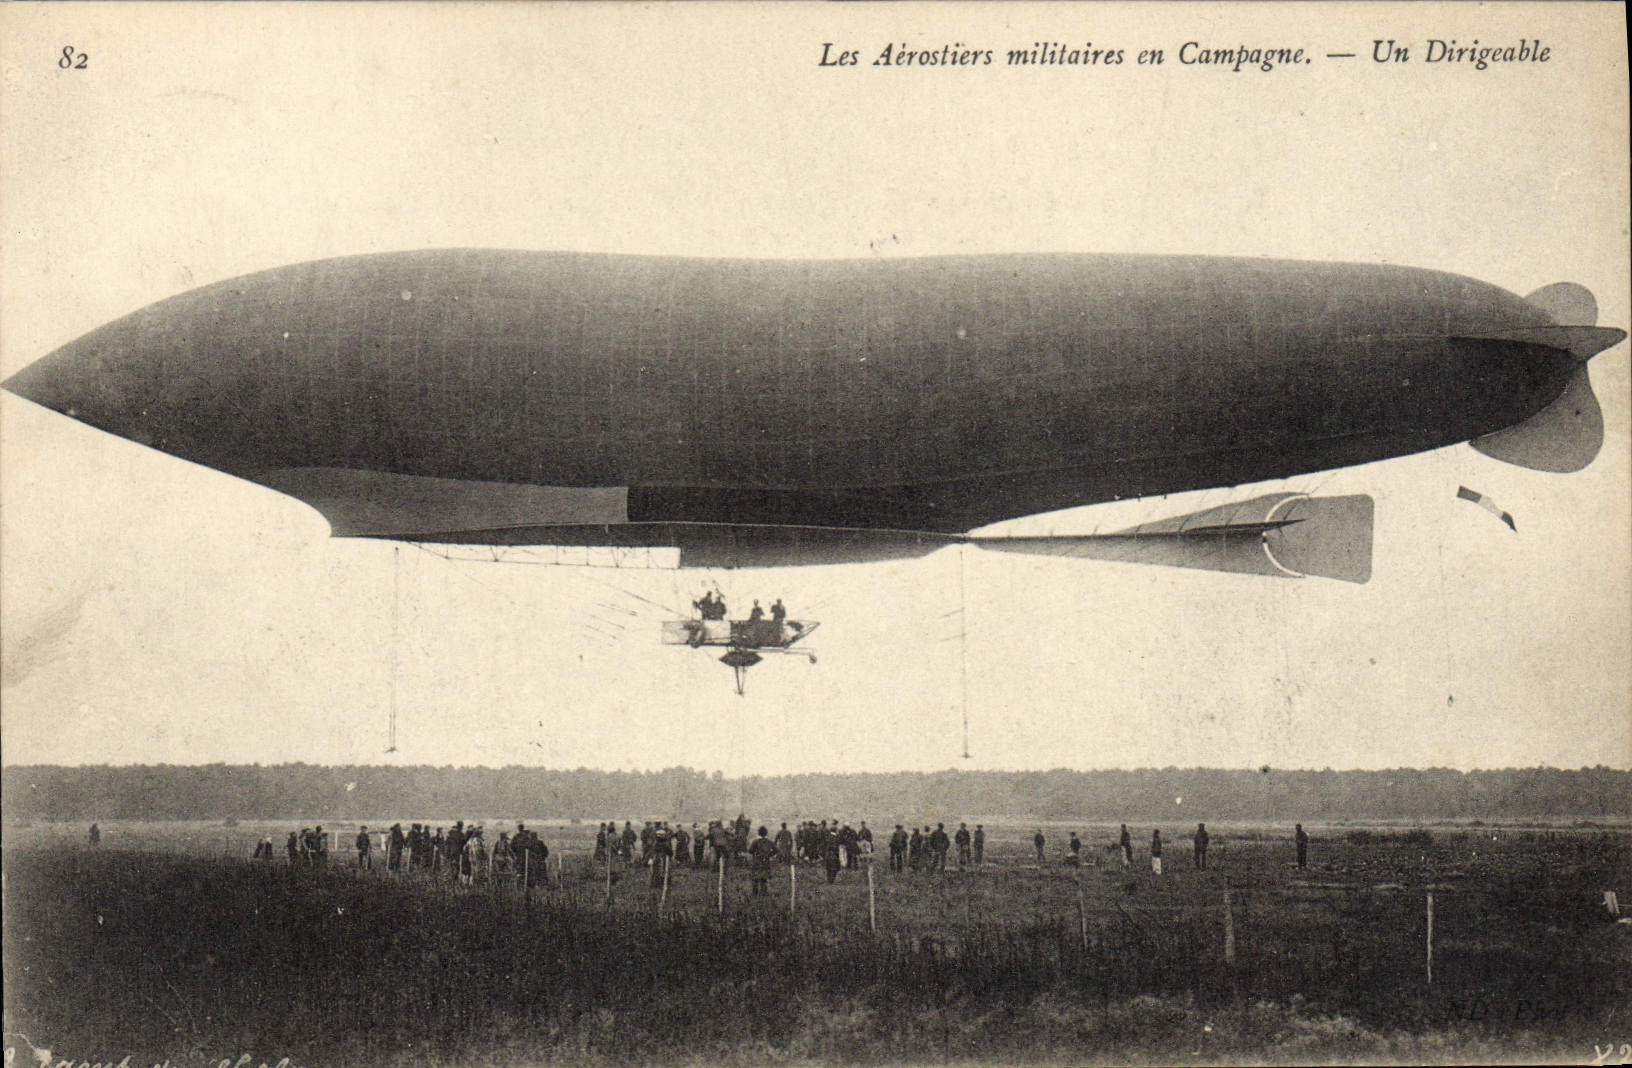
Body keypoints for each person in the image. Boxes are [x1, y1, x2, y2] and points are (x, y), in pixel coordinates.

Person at [749, 826, 778, 896]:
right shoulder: (769, 842)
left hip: (756, 863)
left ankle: (755, 895)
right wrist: (769, 855)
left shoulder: (755, 841)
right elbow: (776, 850)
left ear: (758, 833)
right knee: (764, 879)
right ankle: (763, 895)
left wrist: (755, 854)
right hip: (765, 862)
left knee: (755, 879)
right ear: (766, 833)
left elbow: (750, 850)